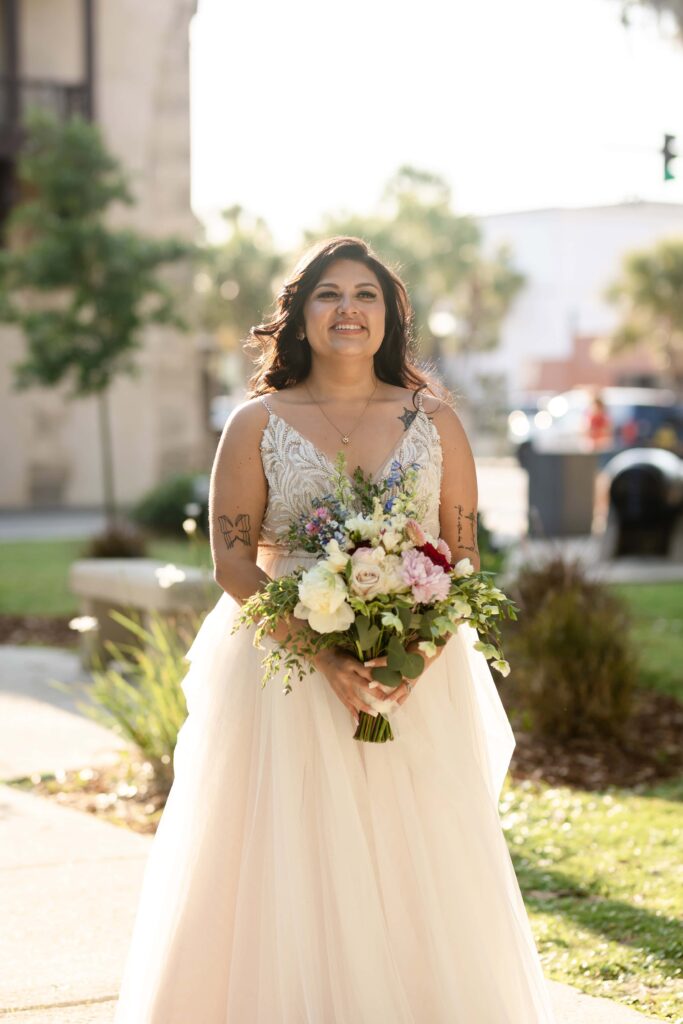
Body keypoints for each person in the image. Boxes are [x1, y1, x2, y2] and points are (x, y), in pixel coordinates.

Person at [114, 236, 556, 1022]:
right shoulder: (255, 423)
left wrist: (410, 663)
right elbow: (233, 562)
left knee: (412, 853)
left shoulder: (435, 421)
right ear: (298, 316)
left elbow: (461, 556)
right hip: (283, 667)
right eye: (328, 294)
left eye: (365, 295)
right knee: (285, 860)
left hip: (415, 673)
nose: (347, 309)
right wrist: (325, 657)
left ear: (389, 317)